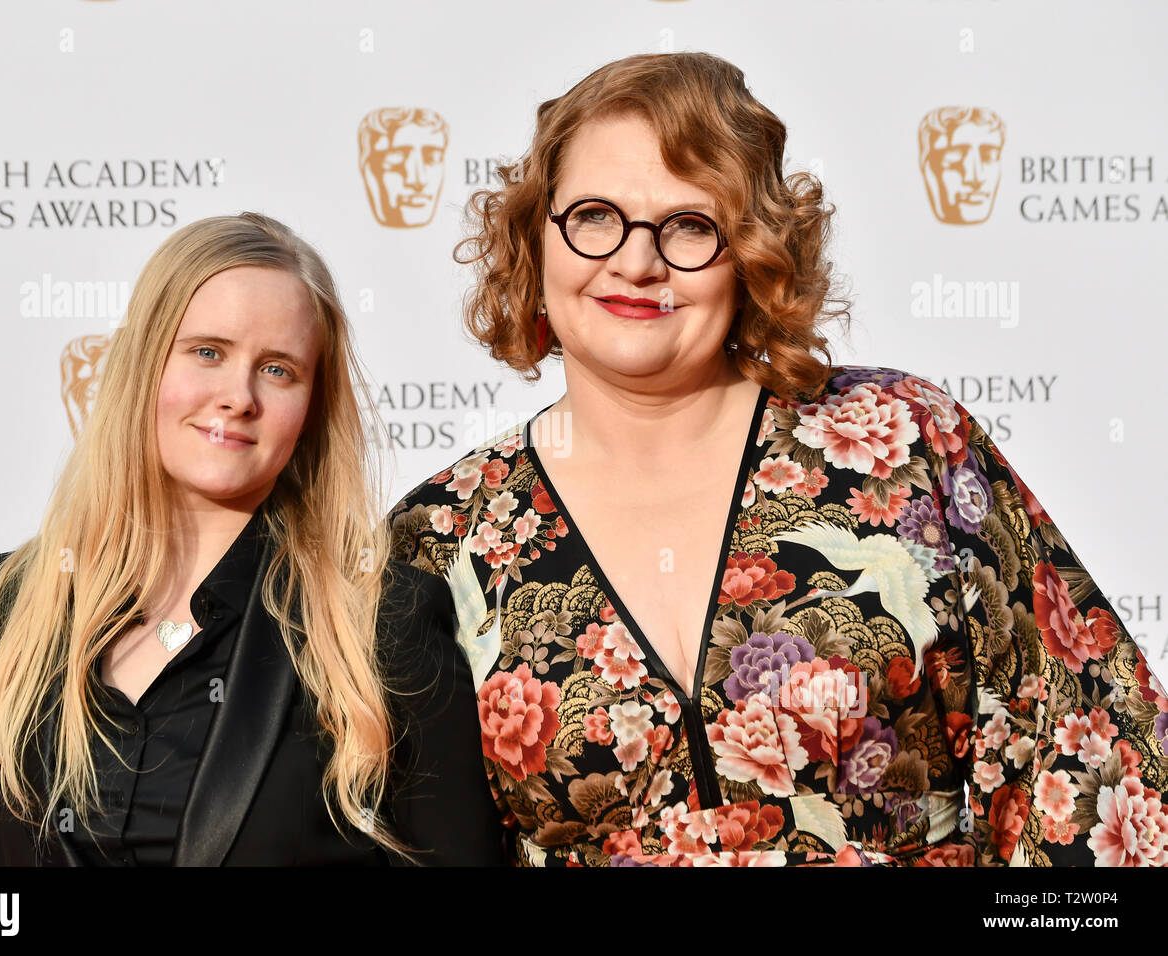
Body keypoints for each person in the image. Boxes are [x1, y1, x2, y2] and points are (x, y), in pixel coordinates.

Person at [388, 52, 1168, 866]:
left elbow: (1101, 780)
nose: (636, 261)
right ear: (534, 234)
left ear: (753, 252)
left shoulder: (904, 444)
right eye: (593, 215)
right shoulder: (439, 537)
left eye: (690, 225)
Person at [0, 212, 503, 866]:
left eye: (278, 370)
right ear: (143, 363)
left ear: (310, 410)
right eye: (208, 351)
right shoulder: (2, 607)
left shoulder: (381, 625)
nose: (238, 396)